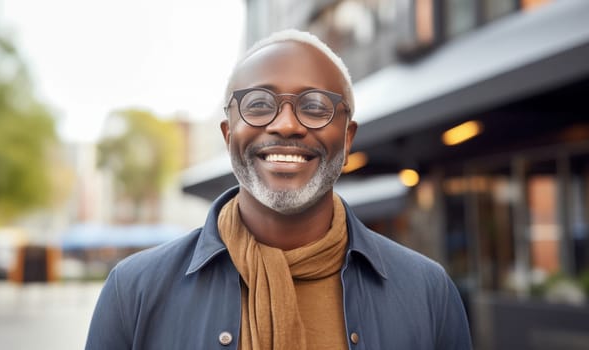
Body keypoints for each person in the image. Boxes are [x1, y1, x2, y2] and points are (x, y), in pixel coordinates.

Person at [86, 29, 472, 350]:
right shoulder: (133, 291)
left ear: (348, 137)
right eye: (258, 104)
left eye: (316, 106)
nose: (286, 125)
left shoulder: (427, 292)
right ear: (228, 134)